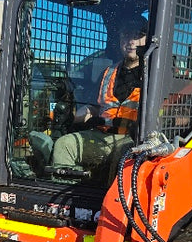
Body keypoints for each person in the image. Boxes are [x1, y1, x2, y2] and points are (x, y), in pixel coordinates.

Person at [50, 17, 147, 182]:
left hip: (134, 139)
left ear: (147, 40)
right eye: (126, 36)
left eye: (137, 35)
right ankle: (66, 197)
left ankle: (114, 204)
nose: (131, 41)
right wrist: (74, 115)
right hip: (101, 134)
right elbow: (95, 107)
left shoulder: (152, 74)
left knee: (121, 155)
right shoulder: (108, 72)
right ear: (120, 40)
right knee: (64, 144)